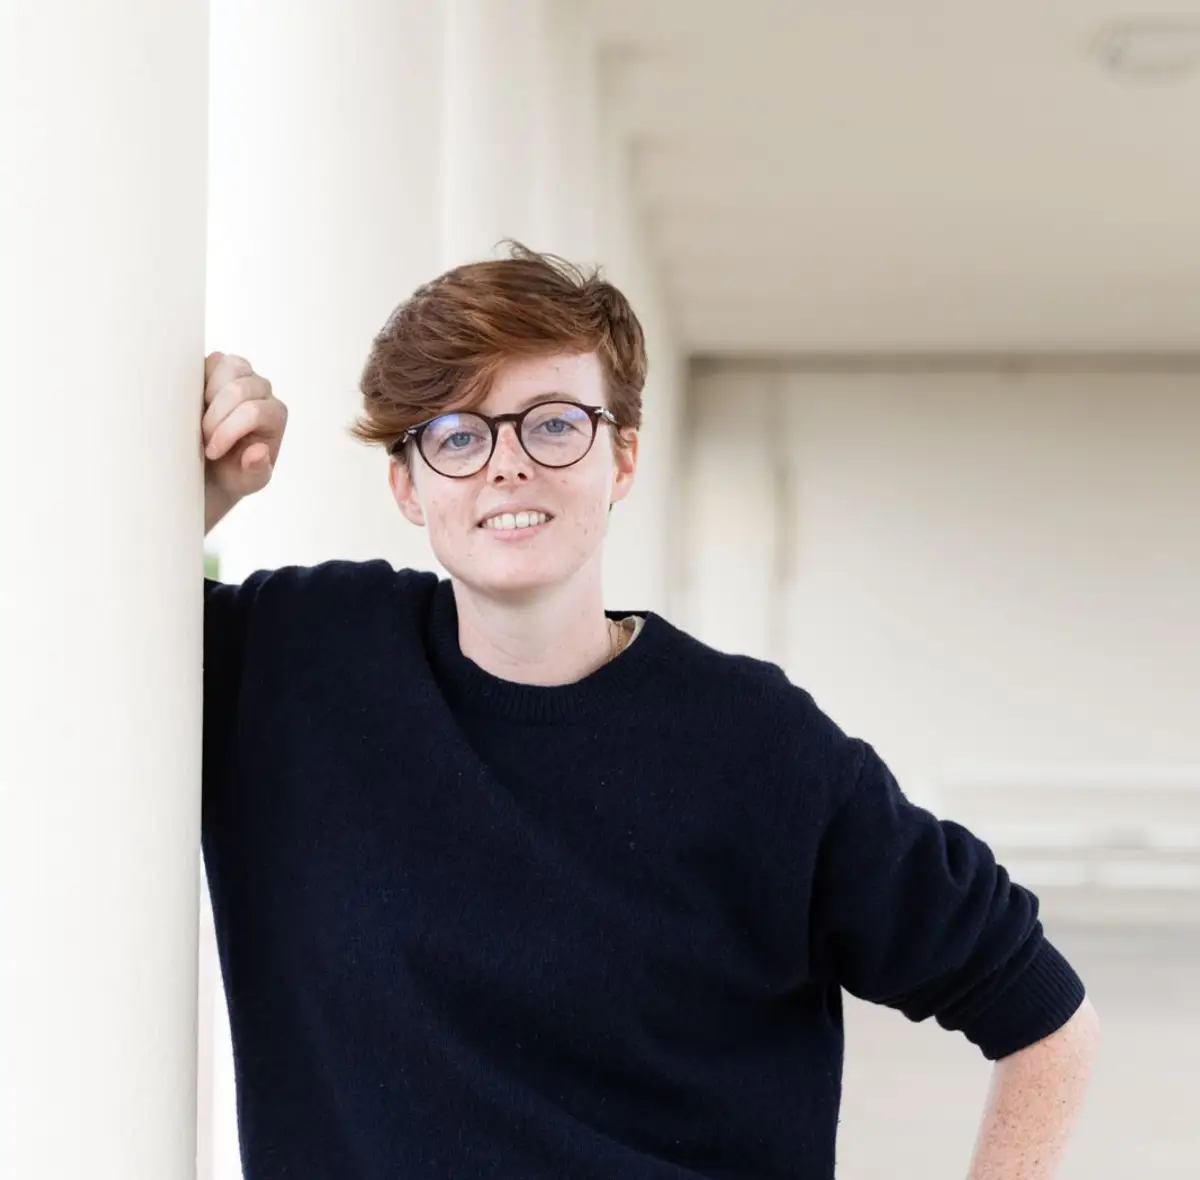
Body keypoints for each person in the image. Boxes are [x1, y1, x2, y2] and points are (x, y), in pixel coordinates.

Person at [201, 244, 1099, 1180]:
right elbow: (90, 660)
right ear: (407, 484)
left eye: (554, 425)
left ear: (622, 456)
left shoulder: (757, 748)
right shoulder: (299, 661)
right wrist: (198, 492)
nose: (507, 466)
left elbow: (1044, 1018)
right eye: (458, 436)